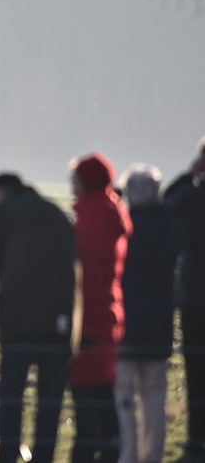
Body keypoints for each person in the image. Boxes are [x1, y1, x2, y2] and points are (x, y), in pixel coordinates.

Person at [0, 172, 77, 463]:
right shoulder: (54, 213)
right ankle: (44, 455)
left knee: (11, 394)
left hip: (19, 322)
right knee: (50, 400)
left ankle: (8, 452)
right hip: (59, 322)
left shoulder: (5, 213)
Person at [68, 152, 132, 463]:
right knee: (103, 398)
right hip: (107, 316)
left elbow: (83, 274)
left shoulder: (91, 219)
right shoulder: (109, 212)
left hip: (90, 320)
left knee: (88, 404)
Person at [114, 164, 179, 463]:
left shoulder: (121, 227)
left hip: (124, 322)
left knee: (124, 392)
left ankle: (128, 454)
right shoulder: (169, 226)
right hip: (158, 321)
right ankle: (152, 455)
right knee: (154, 394)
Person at [164, 137, 205, 463]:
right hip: (194, 295)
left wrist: (189, 174)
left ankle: (196, 440)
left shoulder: (190, 197)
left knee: (196, 374)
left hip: (195, 298)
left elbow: (167, 200)